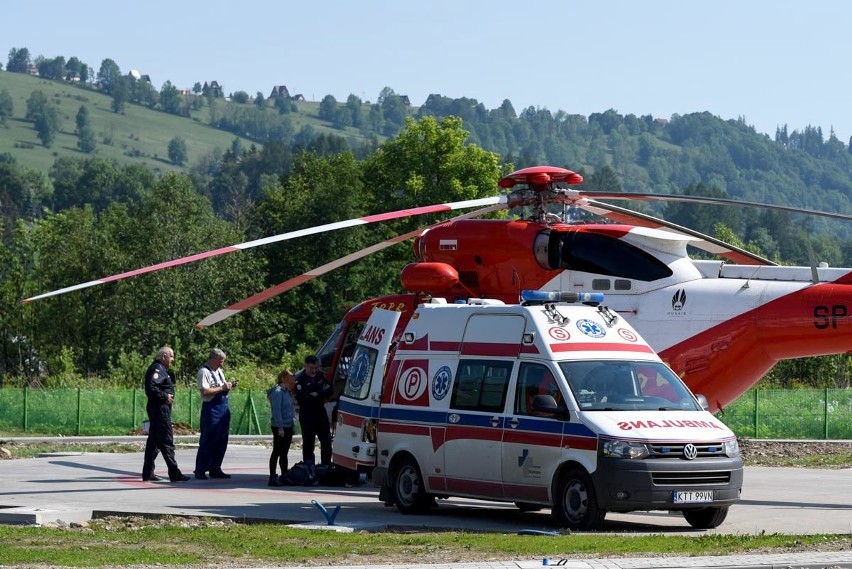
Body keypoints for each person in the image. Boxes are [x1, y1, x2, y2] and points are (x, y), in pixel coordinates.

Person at [141, 346, 190, 482]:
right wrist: (164, 396)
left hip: (160, 409)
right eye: (171, 356)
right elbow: (151, 387)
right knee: (166, 441)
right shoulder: (157, 369)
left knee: (154, 443)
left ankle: (148, 473)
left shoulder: (161, 369)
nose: (173, 360)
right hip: (160, 409)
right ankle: (174, 473)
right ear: (164, 356)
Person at [193, 348, 235, 480]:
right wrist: (222, 388)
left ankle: (215, 468)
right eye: (220, 361)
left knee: (222, 440)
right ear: (213, 359)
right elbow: (205, 392)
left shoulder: (219, 371)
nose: (221, 364)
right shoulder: (203, 372)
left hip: (223, 409)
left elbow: (221, 387)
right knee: (208, 440)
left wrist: (229, 385)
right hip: (211, 410)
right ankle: (200, 470)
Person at [294, 355, 333, 466]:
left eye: (316, 368)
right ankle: (309, 466)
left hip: (320, 413)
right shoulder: (300, 380)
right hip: (307, 415)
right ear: (305, 366)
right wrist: (319, 395)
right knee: (308, 443)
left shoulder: (320, 376)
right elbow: (304, 398)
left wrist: (317, 394)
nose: (314, 370)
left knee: (326, 441)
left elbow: (330, 390)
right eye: (311, 368)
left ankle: (326, 465)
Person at [267, 369, 296, 486]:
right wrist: (280, 427)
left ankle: (284, 475)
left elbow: (290, 409)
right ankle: (272, 476)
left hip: (288, 425)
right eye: (291, 377)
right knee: (277, 451)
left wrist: (292, 424)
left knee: (284, 452)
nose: (293, 378)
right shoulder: (278, 392)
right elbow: (277, 411)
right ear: (284, 378)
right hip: (280, 426)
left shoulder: (287, 392)